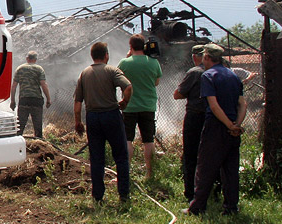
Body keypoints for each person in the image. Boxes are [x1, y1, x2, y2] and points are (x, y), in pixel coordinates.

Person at [186, 44, 247, 216]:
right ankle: (231, 207)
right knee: (230, 170)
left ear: (206, 57)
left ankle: (197, 207)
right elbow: (242, 104)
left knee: (205, 168)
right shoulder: (233, 76)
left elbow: (213, 105)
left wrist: (228, 125)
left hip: (216, 127)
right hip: (233, 130)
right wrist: (236, 125)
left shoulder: (208, 76)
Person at [74, 42, 133, 203]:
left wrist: (78, 122)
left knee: (97, 158)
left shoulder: (84, 73)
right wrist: (124, 102)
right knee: (120, 156)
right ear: (106, 55)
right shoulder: (112, 70)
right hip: (111, 115)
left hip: (92, 118)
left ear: (92, 56)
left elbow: (78, 102)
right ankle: (124, 195)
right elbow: (128, 87)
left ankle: (98, 196)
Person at [117, 34, 162, 179]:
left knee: (128, 139)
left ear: (130, 46)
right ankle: (150, 173)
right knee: (148, 140)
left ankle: (126, 173)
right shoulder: (154, 62)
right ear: (144, 46)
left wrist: (128, 57)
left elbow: (118, 79)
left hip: (129, 106)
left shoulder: (124, 62)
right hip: (148, 106)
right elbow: (156, 82)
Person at [173, 45, 206, 201]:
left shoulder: (194, 73)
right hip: (215, 117)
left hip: (195, 116)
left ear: (195, 57)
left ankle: (190, 192)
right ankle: (214, 188)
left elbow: (178, 94)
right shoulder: (223, 70)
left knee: (191, 154)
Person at [10, 51, 52, 138]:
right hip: (36, 100)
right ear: (35, 60)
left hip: (24, 100)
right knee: (38, 126)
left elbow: (14, 86)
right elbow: (44, 84)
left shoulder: (19, 69)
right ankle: (39, 144)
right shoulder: (39, 69)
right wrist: (48, 99)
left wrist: (12, 101)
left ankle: (17, 142)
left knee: (20, 126)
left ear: (27, 59)